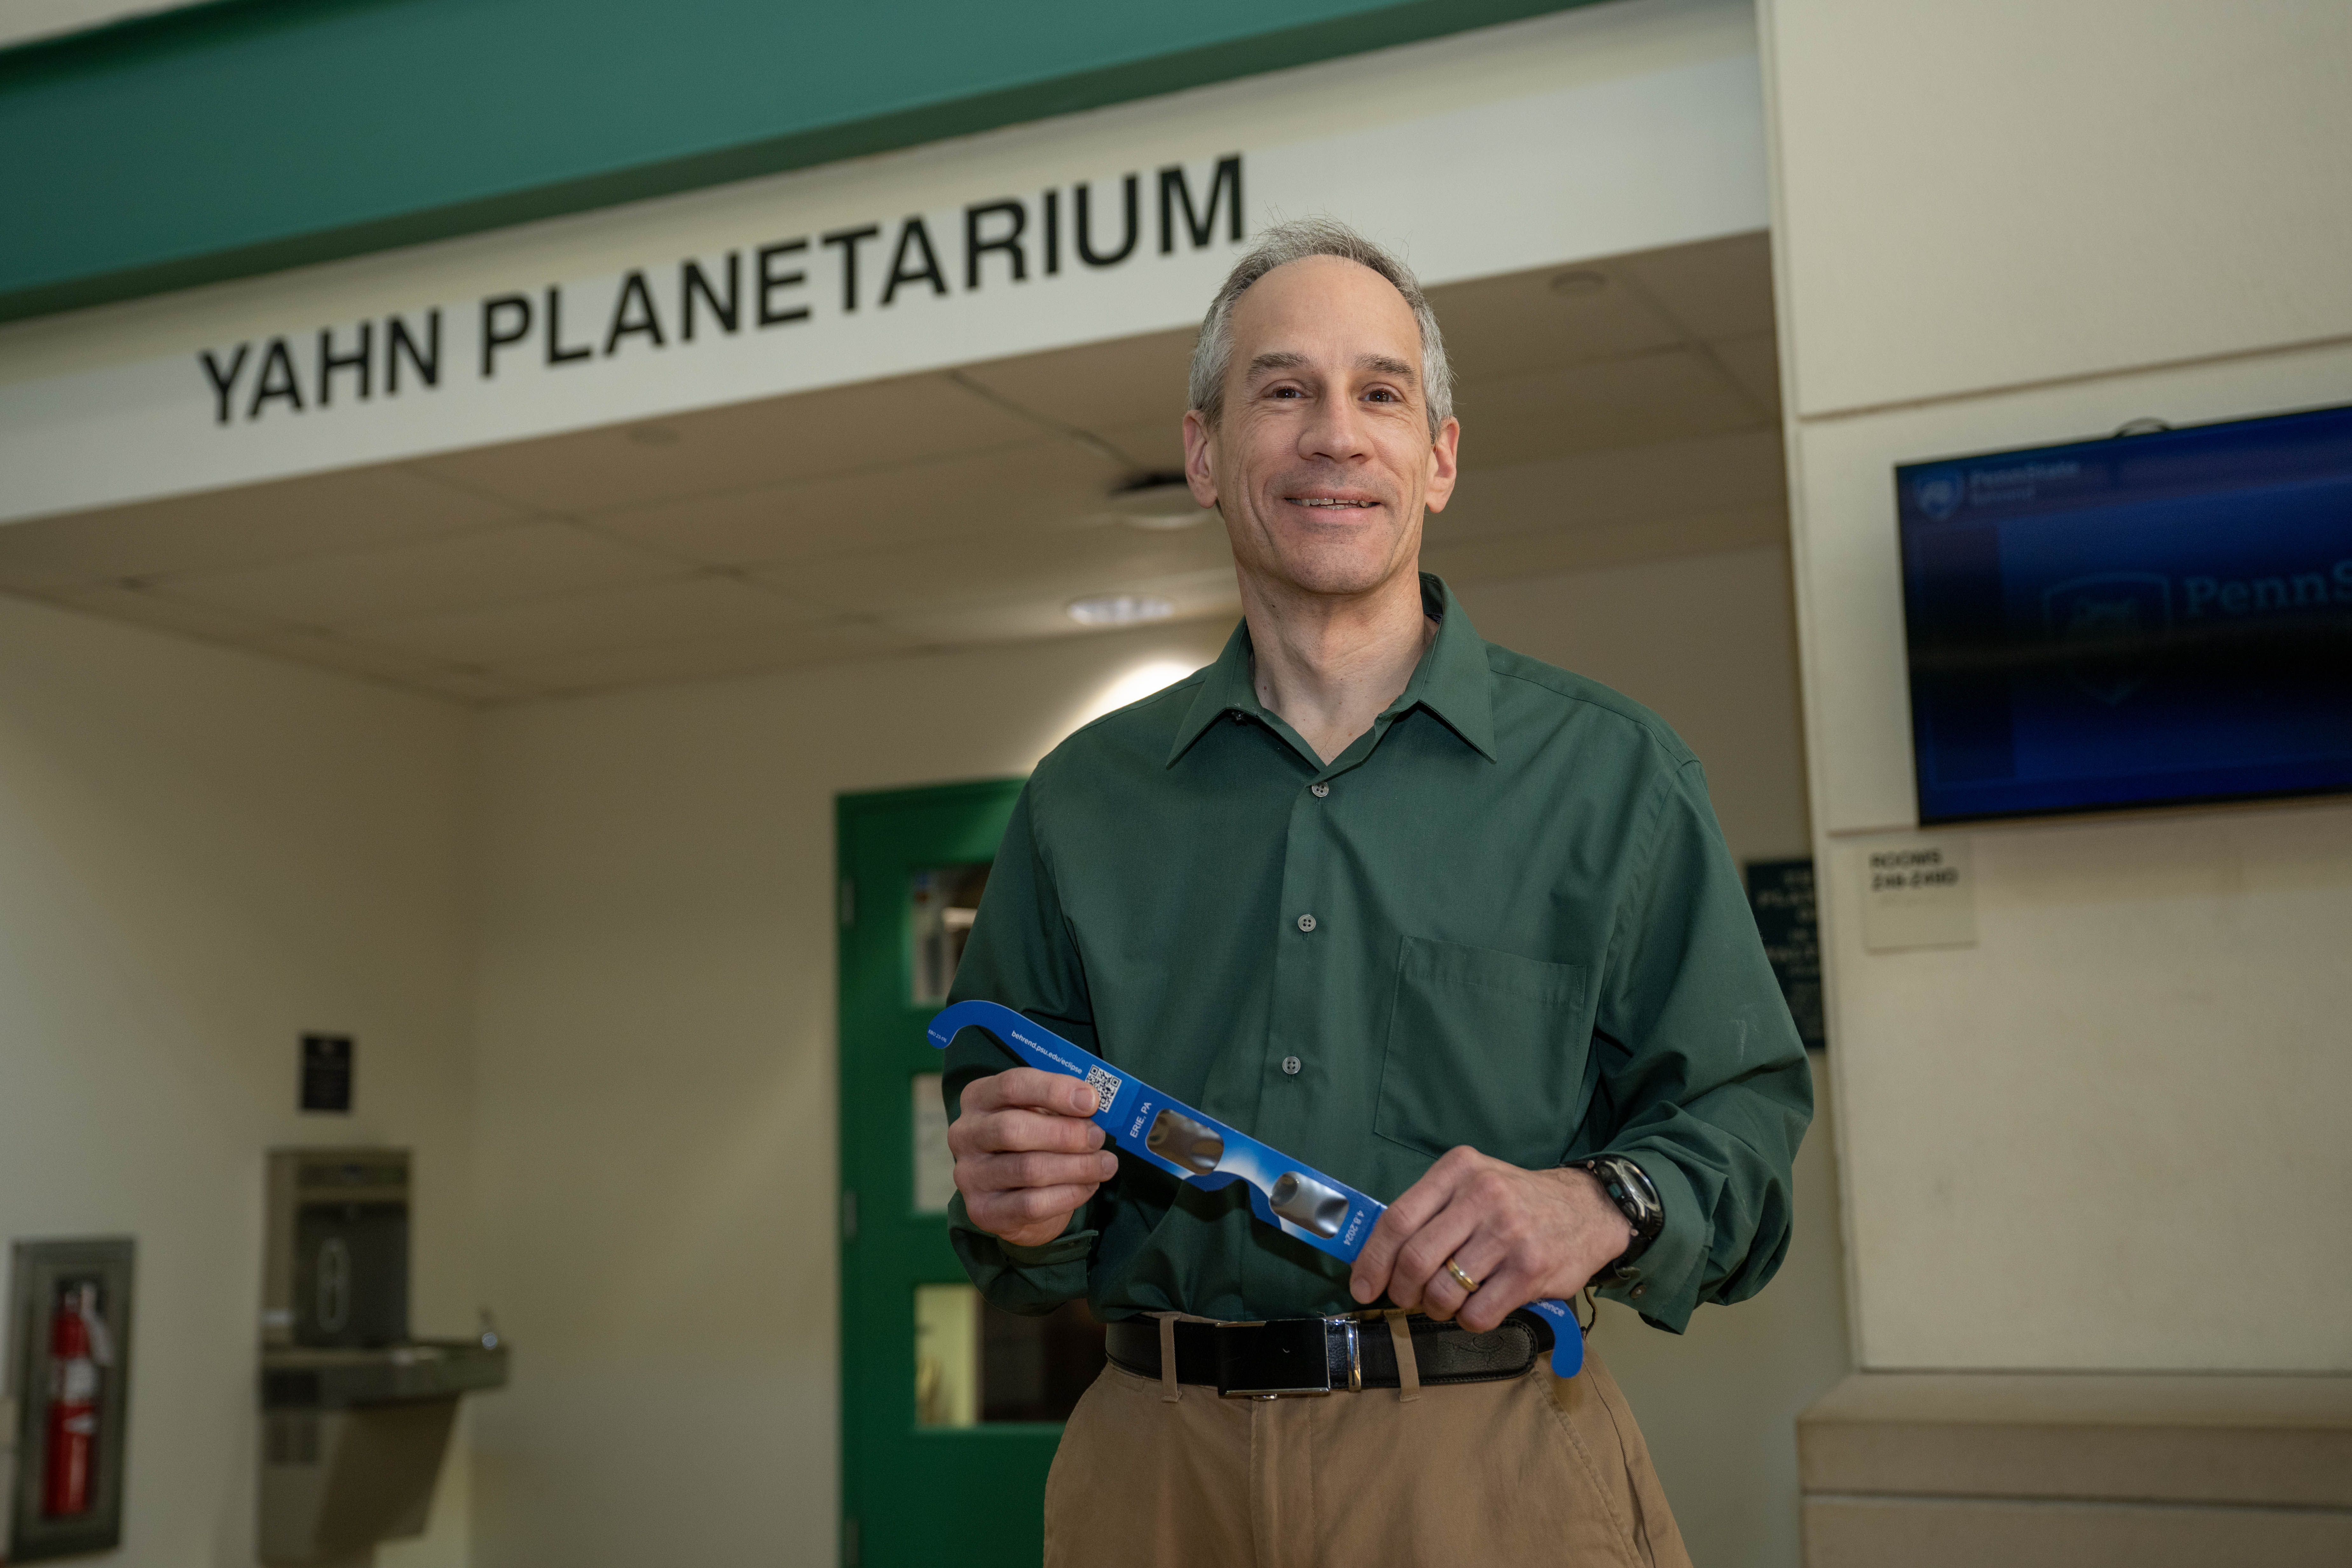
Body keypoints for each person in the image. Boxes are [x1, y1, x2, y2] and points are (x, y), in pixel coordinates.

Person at [941, 217, 1812, 1567]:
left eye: (1380, 393)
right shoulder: (1077, 802)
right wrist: (1019, 1201)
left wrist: (1602, 1203)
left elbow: (1744, 1116)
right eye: (1281, 390)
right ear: (1203, 455)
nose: (1333, 435)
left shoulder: (1612, 777)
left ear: (1438, 458)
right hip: (1151, 1481)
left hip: (1490, 1470)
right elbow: (1016, 1204)